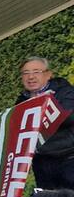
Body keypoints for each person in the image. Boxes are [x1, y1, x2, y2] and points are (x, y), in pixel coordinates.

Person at [16, 57, 74, 189]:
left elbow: (68, 116)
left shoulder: (64, 91)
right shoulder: (20, 103)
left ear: (48, 74)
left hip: (68, 156)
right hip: (41, 163)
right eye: (26, 73)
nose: (30, 77)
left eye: (36, 71)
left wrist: (43, 106)